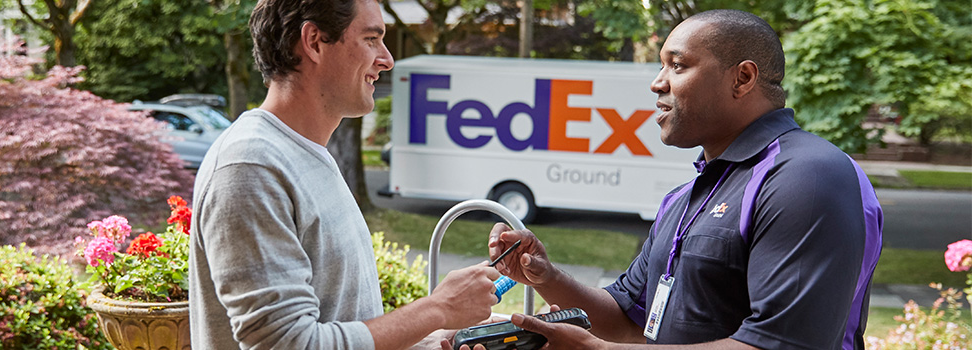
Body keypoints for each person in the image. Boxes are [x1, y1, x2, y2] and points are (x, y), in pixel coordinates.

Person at [463, 9, 883, 350]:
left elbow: (781, 345)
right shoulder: (686, 197)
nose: (657, 82)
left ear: (743, 78)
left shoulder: (806, 176)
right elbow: (628, 318)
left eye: (677, 65)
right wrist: (546, 277)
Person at [188, 0, 502, 349]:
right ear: (314, 41)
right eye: (371, 39)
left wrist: (436, 339)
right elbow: (289, 344)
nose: (386, 59)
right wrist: (439, 308)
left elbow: (343, 324)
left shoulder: (304, 153)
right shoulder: (250, 166)